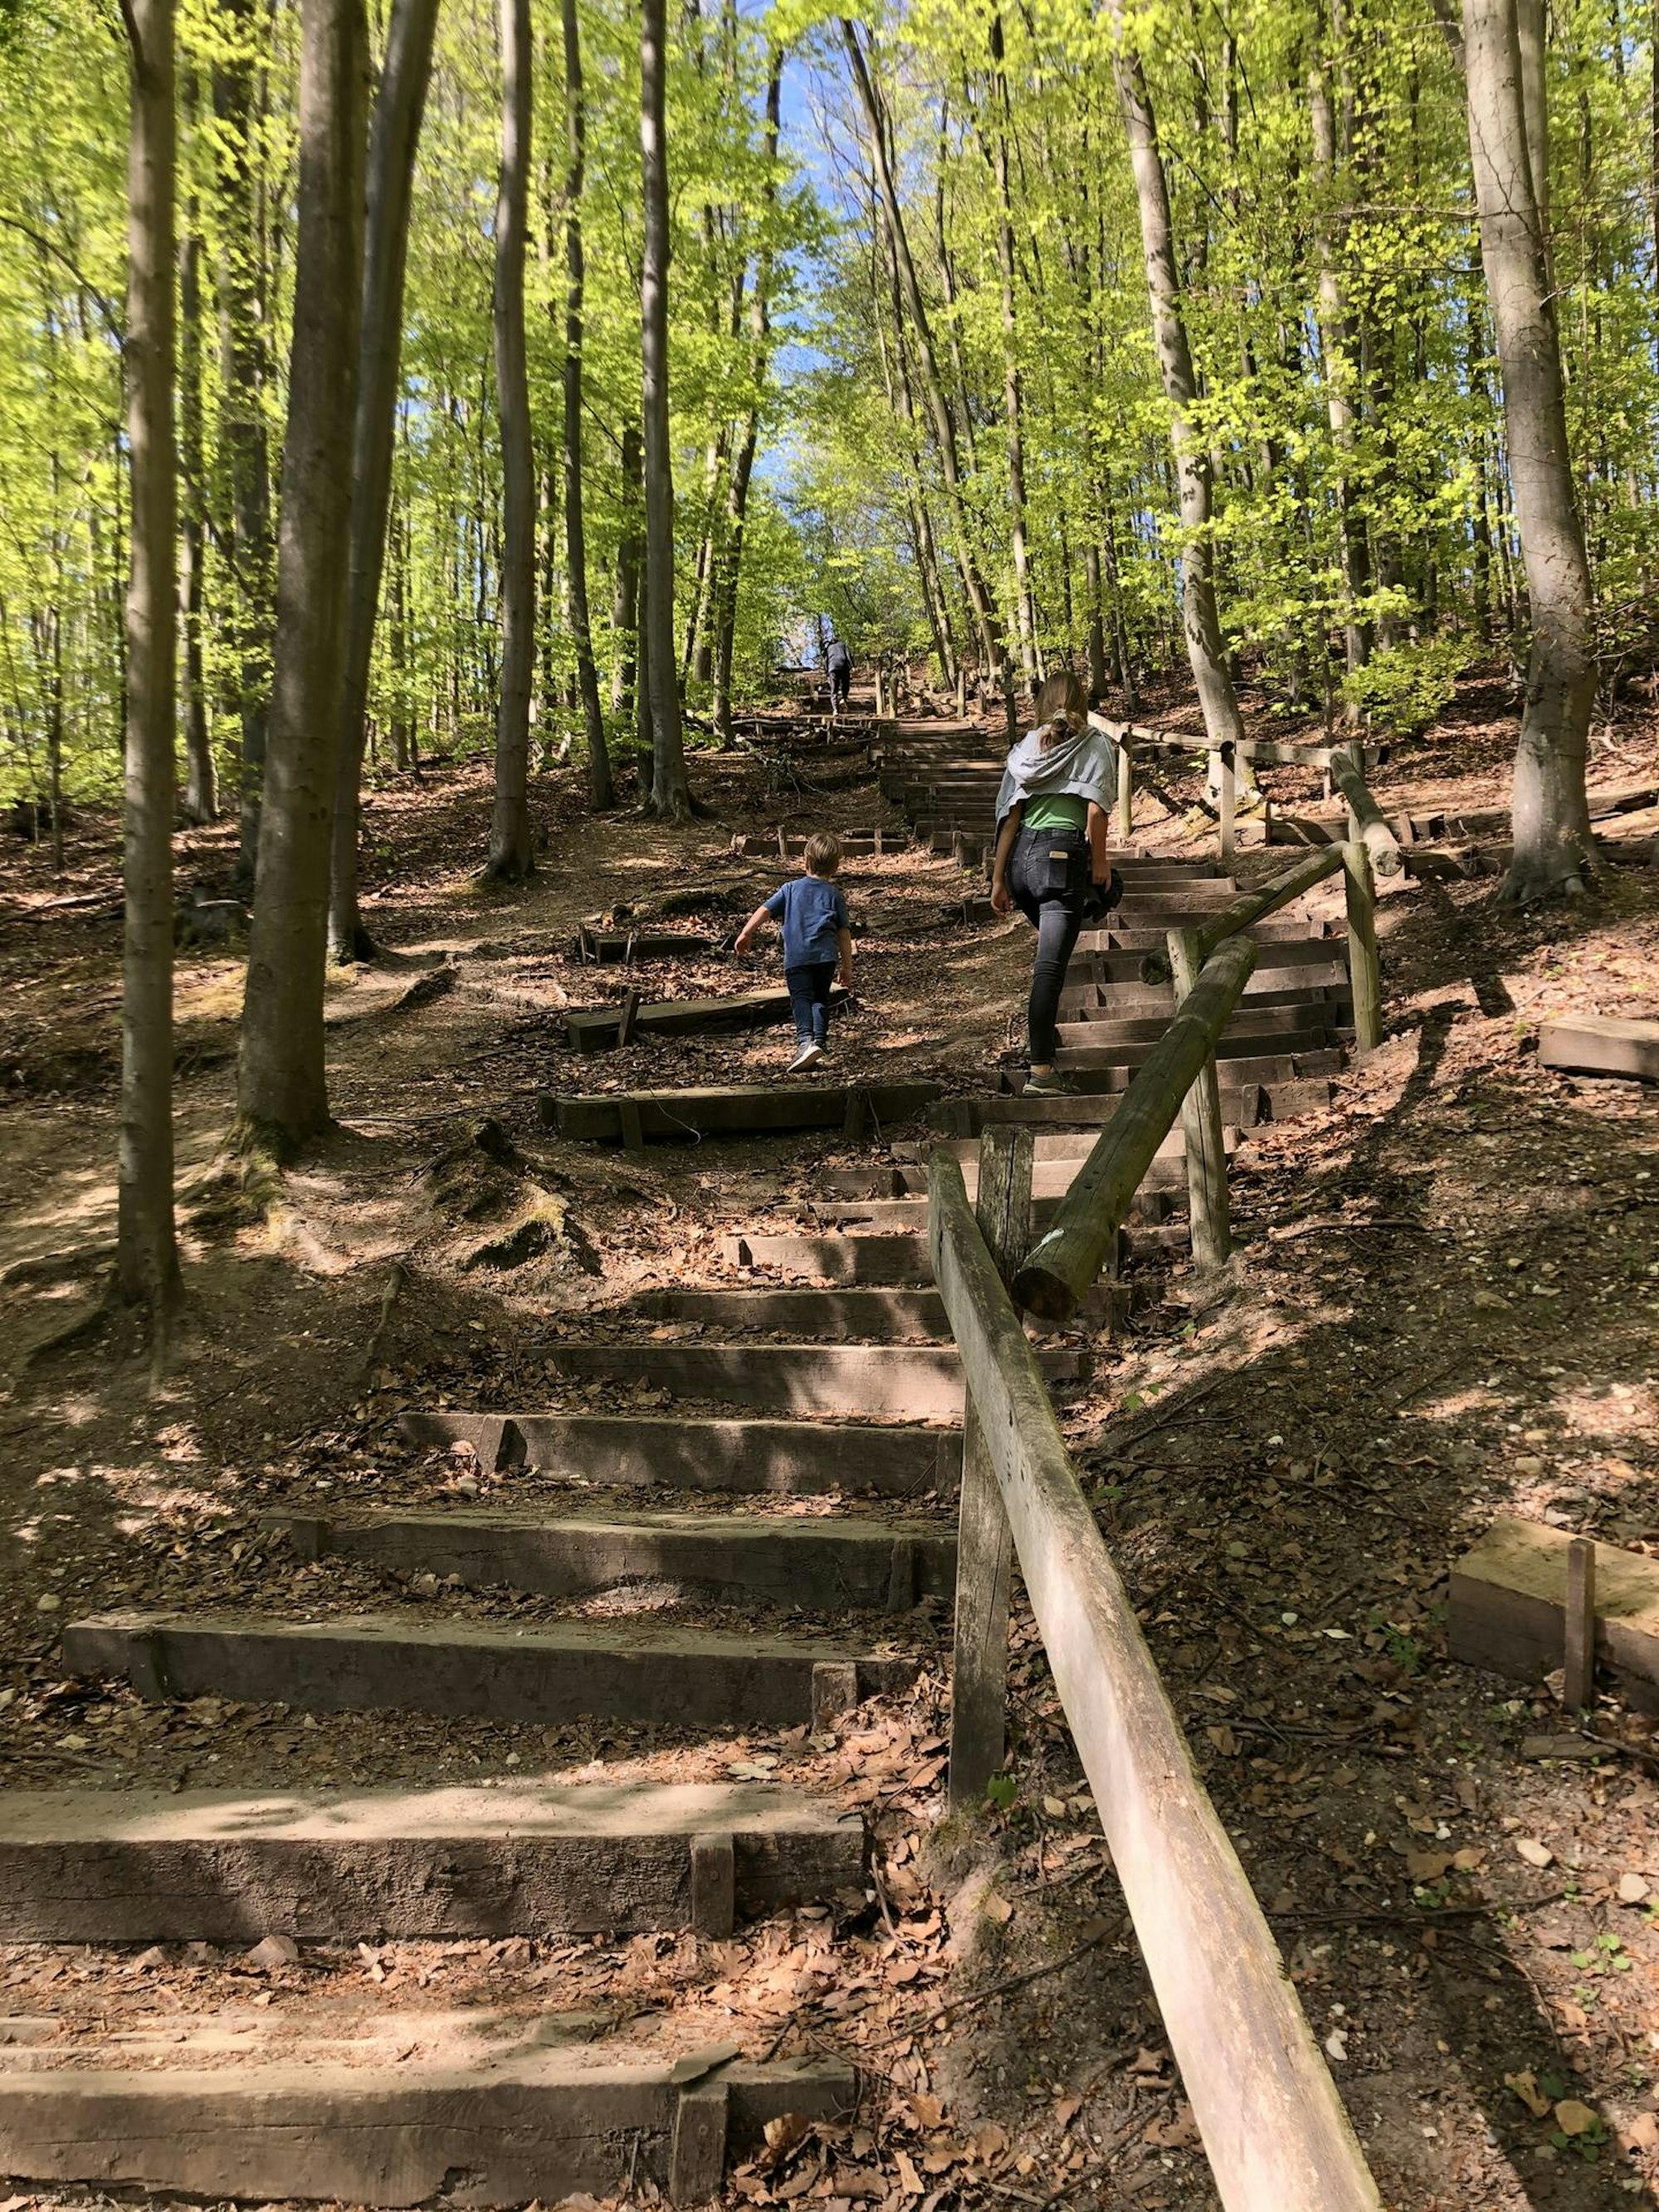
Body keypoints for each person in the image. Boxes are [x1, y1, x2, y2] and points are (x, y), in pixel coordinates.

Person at [989, 670, 1120, 1098]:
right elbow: (1097, 810)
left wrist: (997, 879)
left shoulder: (1025, 748)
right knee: (1050, 969)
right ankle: (1042, 1072)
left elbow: (1010, 817)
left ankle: (1043, 1051)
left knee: (1053, 952)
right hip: (1061, 858)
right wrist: (1099, 862)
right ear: (1082, 702)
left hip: (1021, 866)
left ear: (1042, 704)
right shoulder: (1093, 742)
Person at [734, 830, 855, 1074]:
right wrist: (847, 966)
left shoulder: (790, 889)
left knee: (801, 999)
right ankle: (819, 1043)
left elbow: (765, 911)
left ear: (806, 861)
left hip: (798, 957)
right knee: (820, 998)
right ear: (835, 867)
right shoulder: (834, 895)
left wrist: (746, 933)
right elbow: (843, 934)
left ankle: (805, 1043)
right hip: (825, 957)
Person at [826, 636, 852, 715]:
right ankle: (844, 698)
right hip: (843, 665)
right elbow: (848, 655)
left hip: (832, 667)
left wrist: (827, 672)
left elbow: (826, 661)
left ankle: (835, 710)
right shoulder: (843, 645)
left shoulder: (829, 648)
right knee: (845, 684)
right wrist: (851, 666)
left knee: (834, 689)